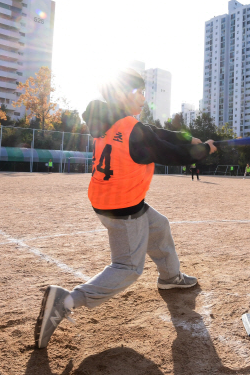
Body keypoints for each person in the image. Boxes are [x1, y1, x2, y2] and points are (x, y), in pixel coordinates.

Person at [35, 69, 217, 349]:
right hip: (122, 207)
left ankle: (171, 278)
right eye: (140, 93)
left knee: (159, 225)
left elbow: (158, 134)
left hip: (110, 199)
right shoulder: (133, 130)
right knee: (128, 268)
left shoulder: (112, 121)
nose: (144, 99)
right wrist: (203, 149)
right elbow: (171, 154)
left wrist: (190, 139)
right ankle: (67, 300)